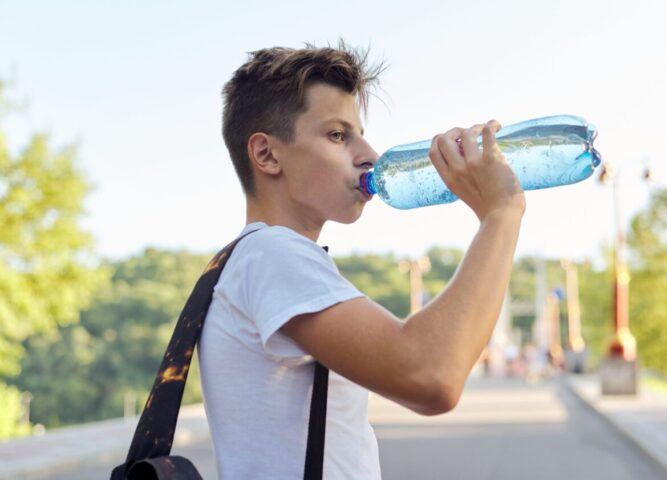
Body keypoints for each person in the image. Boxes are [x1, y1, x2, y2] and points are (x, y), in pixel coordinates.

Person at [198, 42, 526, 479]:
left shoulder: (248, 259)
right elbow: (431, 375)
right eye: (338, 135)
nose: (369, 155)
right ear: (266, 154)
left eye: (360, 133)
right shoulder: (272, 254)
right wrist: (501, 214)